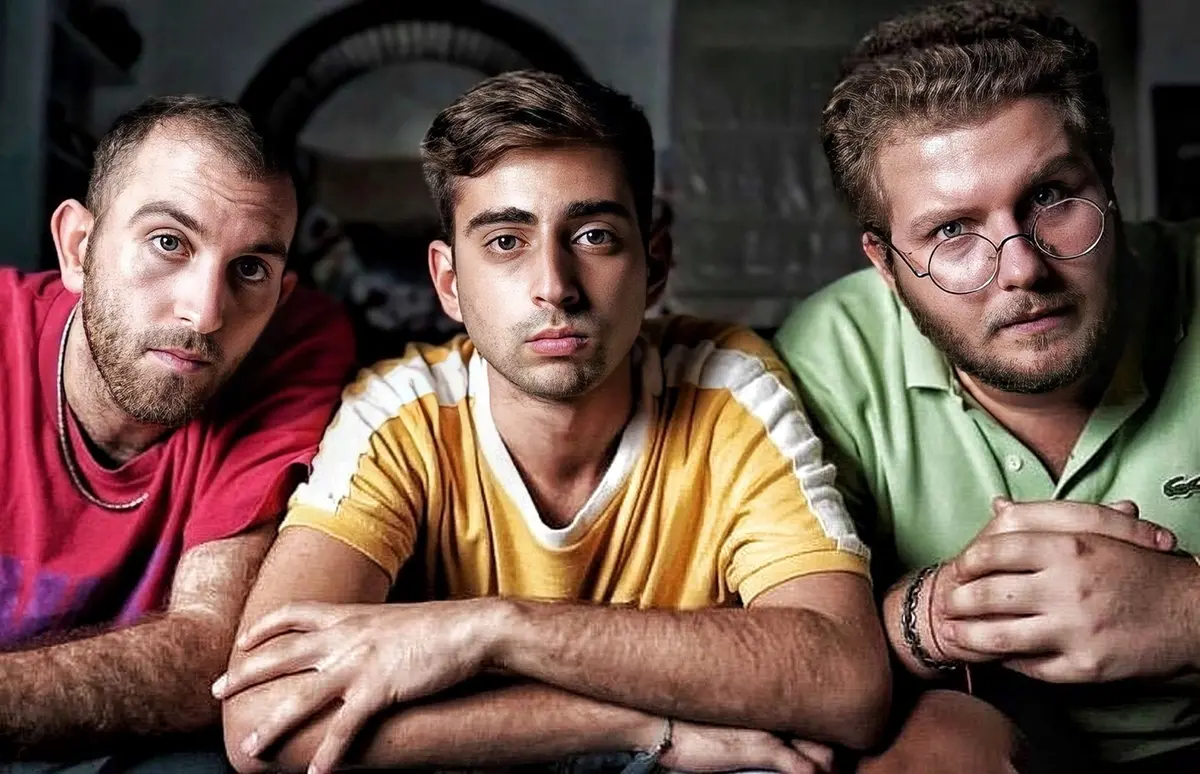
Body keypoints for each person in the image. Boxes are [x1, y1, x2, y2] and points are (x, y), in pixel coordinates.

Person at [216, 70, 890, 774]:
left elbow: (849, 682)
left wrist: (494, 629)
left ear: (655, 264)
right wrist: (635, 723)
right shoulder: (402, 417)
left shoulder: (726, 388)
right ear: (449, 282)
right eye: (506, 242)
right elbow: (263, 722)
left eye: (594, 235)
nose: (554, 287)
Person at [773, 2, 1200, 772]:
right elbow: (788, 657)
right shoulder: (826, 357)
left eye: (1051, 196)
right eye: (951, 231)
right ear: (884, 264)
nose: (1022, 267)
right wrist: (937, 612)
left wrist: (1186, 611)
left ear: (1110, 184)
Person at [0, 96, 355, 769]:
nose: (206, 312)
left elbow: (213, 656)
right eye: (169, 242)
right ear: (78, 248)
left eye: (249, 269)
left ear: (279, 298)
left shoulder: (293, 346)